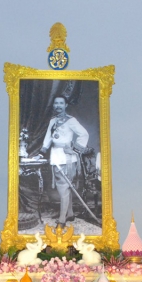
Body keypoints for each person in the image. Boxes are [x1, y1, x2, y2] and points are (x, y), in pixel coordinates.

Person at [35, 95, 89, 227]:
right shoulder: (53, 120)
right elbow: (48, 137)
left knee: (64, 188)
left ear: (65, 105)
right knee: (65, 187)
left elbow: (84, 134)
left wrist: (76, 150)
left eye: (61, 103)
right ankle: (69, 214)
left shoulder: (71, 120)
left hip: (67, 158)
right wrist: (42, 152)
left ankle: (62, 220)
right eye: (56, 103)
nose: (58, 106)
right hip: (55, 156)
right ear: (53, 105)